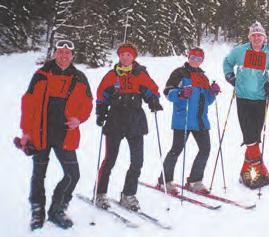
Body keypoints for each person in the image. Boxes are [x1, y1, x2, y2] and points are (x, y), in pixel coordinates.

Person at [20, 39, 93, 230]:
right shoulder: (41, 75)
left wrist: (79, 119)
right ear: (54, 54)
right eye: (60, 52)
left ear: (72, 56)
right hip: (40, 134)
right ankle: (37, 211)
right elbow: (28, 104)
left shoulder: (79, 77)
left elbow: (88, 103)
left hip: (65, 135)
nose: (63, 56)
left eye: (67, 53)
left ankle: (57, 209)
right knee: (38, 175)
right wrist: (26, 132)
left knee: (73, 174)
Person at [95, 43, 163, 211]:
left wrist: (153, 101)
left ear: (134, 57)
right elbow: (102, 93)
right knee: (110, 159)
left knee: (137, 161)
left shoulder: (140, 74)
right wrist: (101, 110)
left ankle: (128, 194)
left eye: (129, 55)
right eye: (122, 54)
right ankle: (100, 193)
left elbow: (151, 90)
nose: (125, 57)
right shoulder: (112, 75)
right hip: (115, 120)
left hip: (135, 121)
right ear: (119, 57)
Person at [223, 21, 269, 189]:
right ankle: (261, 170)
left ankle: (245, 172)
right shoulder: (240, 51)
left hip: (261, 99)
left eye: (259, 35)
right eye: (253, 35)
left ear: (264, 38)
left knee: (254, 136)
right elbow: (227, 62)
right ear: (249, 37)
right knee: (249, 136)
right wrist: (230, 77)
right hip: (242, 97)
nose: (256, 38)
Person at [157, 47, 220, 195]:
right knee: (176, 150)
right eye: (193, 57)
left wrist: (213, 93)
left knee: (205, 149)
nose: (195, 61)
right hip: (183, 119)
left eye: (199, 59)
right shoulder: (179, 73)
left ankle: (195, 181)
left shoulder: (203, 78)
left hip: (200, 121)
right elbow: (168, 92)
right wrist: (180, 93)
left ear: (202, 60)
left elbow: (208, 101)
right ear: (188, 57)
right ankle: (164, 181)